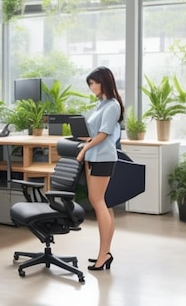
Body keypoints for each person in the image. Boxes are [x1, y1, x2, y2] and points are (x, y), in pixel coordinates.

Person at [76, 66, 124, 271]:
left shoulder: (112, 106)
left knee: (98, 203)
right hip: (94, 156)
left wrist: (84, 148)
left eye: (93, 83)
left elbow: (104, 135)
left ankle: (103, 254)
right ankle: (105, 253)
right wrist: (87, 139)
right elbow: (98, 132)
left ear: (104, 82)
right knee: (103, 203)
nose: (91, 87)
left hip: (102, 158)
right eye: (89, 84)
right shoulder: (101, 105)